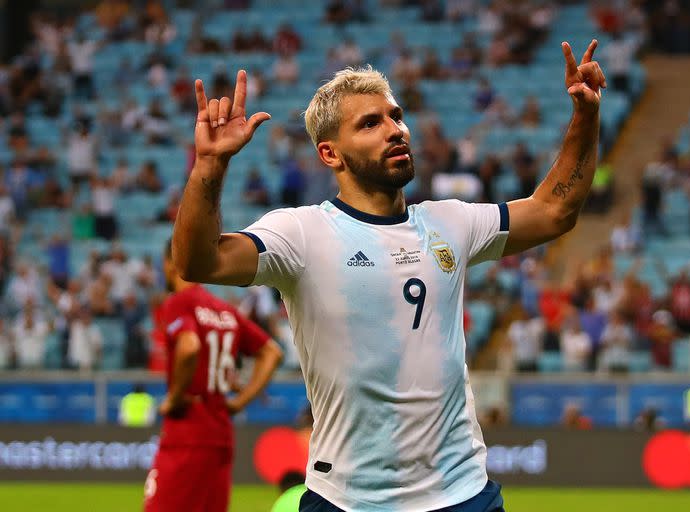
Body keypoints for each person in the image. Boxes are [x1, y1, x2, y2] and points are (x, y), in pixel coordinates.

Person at [172, 39, 605, 511]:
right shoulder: (301, 234)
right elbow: (199, 262)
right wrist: (210, 168)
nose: (395, 130)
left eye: (396, 117)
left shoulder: (450, 222)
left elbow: (555, 210)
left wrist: (585, 116)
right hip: (347, 499)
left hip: (462, 494)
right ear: (330, 154)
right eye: (370, 123)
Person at [143, 241, 283, 512]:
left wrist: (174, 397)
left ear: (171, 264)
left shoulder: (179, 303)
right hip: (220, 437)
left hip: (186, 435)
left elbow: (189, 347)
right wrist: (239, 402)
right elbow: (272, 352)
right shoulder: (224, 311)